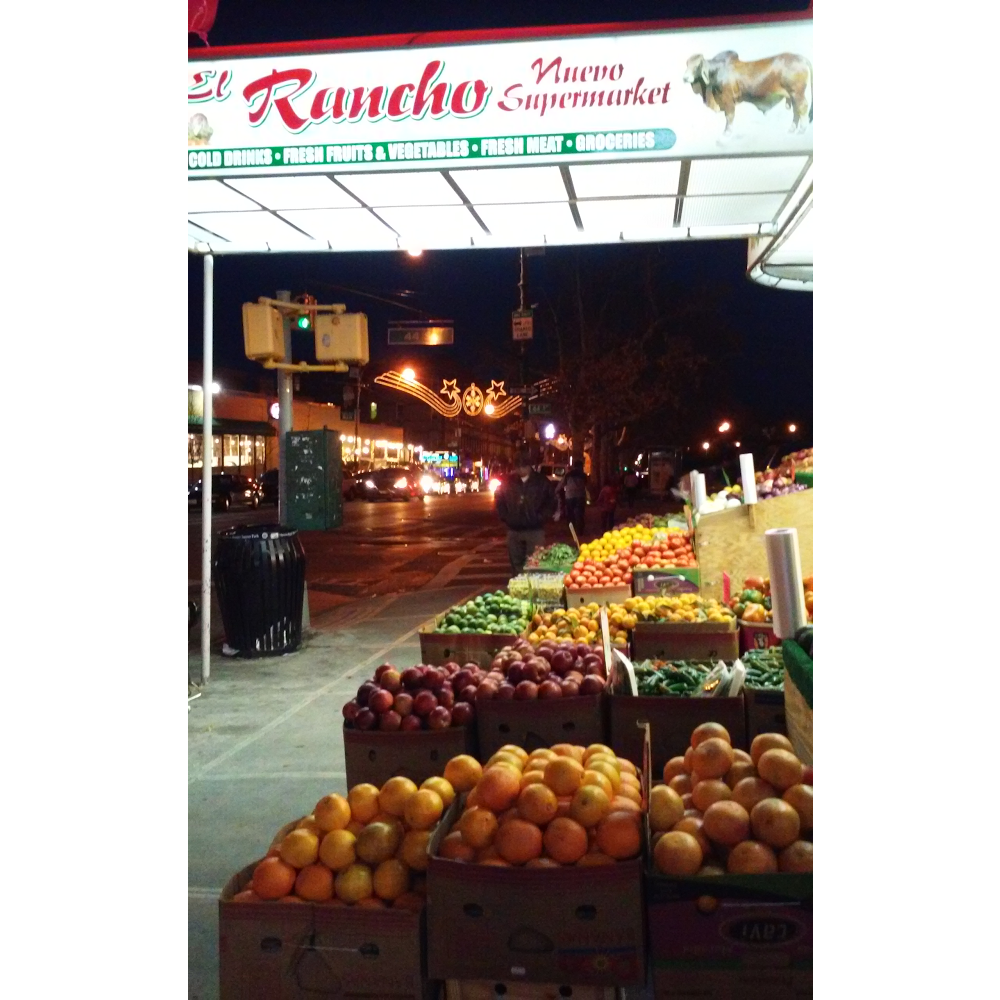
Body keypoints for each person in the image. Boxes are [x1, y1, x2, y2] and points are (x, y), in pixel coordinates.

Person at [495, 448, 558, 575]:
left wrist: (541, 517)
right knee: (516, 564)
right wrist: (506, 517)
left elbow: (551, 502)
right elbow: (499, 500)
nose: (520, 470)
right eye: (517, 467)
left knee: (534, 564)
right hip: (514, 529)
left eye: (523, 467)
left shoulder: (541, 481)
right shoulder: (508, 481)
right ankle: (519, 588)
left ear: (529, 466)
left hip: (535, 530)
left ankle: (533, 590)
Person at [558, 463, 589, 538]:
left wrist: (556, 491)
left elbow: (561, 484)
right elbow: (588, 485)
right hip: (580, 496)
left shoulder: (568, 475)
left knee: (570, 514)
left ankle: (572, 531)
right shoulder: (583, 475)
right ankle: (580, 531)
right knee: (580, 514)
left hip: (570, 496)